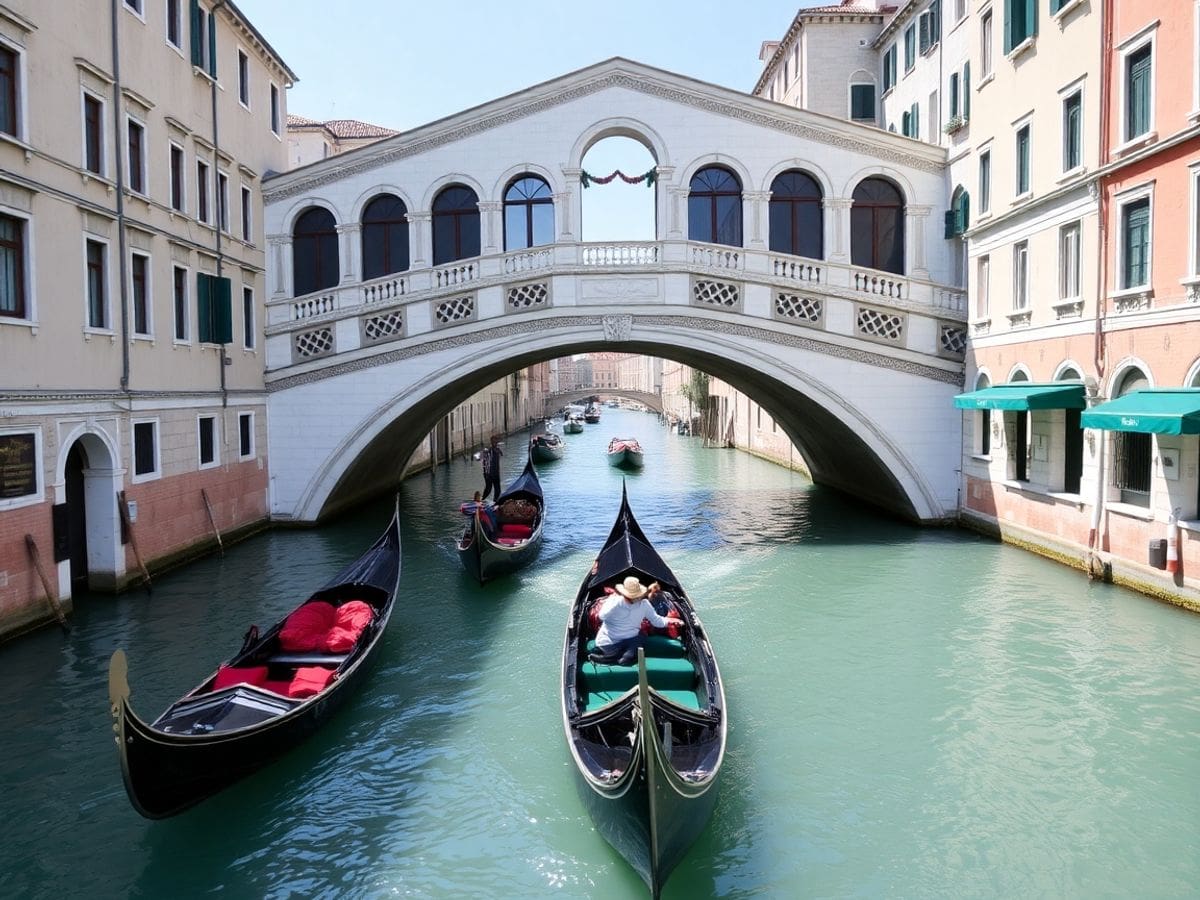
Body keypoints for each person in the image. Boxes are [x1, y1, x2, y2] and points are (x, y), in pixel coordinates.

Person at [591, 576, 675, 666]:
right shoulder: (616, 602)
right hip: (608, 644)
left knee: (640, 636)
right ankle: (622, 658)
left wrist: (670, 621)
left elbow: (657, 621)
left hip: (612, 644)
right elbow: (602, 616)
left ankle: (614, 658)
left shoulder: (643, 604)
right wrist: (613, 603)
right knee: (641, 636)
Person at [480, 434, 503, 501]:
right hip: (489, 473)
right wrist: (486, 473)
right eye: (494, 442)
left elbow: (501, 455)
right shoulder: (487, 451)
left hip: (496, 473)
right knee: (488, 489)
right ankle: (481, 500)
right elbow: (481, 458)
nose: (495, 443)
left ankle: (495, 502)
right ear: (491, 442)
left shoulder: (498, 450)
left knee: (498, 490)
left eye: (496, 442)